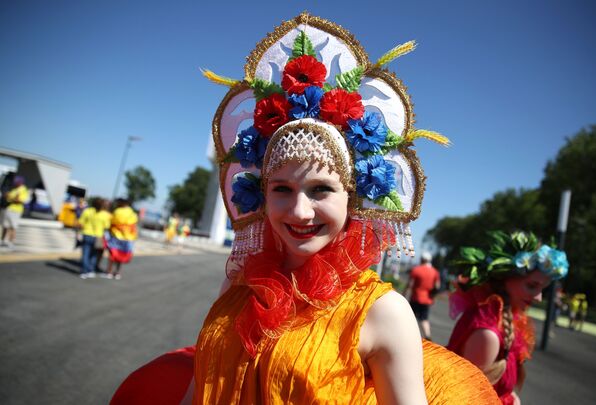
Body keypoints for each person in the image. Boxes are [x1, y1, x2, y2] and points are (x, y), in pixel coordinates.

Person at [111, 13, 500, 405]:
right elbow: (202, 388)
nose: (299, 211)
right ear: (262, 192)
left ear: (354, 197)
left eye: (320, 190)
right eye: (282, 188)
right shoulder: (239, 282)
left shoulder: (384, 312)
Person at [447, 231, 569, 405]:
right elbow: (465, 399)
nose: (538, 297)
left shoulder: (505, 319)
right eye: (532, 286)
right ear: (504, 278)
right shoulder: (488, 334)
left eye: (543, 289)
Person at [405, 251, 441, 340]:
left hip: (415, 297)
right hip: (427, 299)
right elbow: (437, 286)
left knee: (411, 317)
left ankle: (408, 336)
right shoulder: (435, 272)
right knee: (424, 318)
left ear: (421, 259)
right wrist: (432, 295)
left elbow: (410, 284)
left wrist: (404, 293)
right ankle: (427, 336)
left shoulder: (416, 270)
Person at [105, 198, 138, 280]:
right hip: (127, 238)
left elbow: (111, 222)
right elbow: (134, 226)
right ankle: (117, 273)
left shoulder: (117, 211)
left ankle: (109, 272)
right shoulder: (133, 213)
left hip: (116, 236)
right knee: (121, 256)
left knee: (113, 254)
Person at [78, 198, 111, 279]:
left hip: (87, 234)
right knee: (94, 254)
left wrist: (79, 232)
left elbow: (81, 223)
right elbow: (107, 226)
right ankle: (90, 270)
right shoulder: (105, 214)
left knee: (85, 253)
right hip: (98, 236)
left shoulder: (87, 211)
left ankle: (84, 271)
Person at [0, 176, 29, 250]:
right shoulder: (14, 188)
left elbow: (21, 200)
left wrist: (12, 198)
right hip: (8, 208)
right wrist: (9, 196)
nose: (15, 182)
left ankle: (11, 243)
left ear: (20, 182)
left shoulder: (23, 189)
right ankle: (2, 240)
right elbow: (8, 196)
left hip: (15, 211)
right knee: (5, 226)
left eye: (17, 181)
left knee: (12, 227)